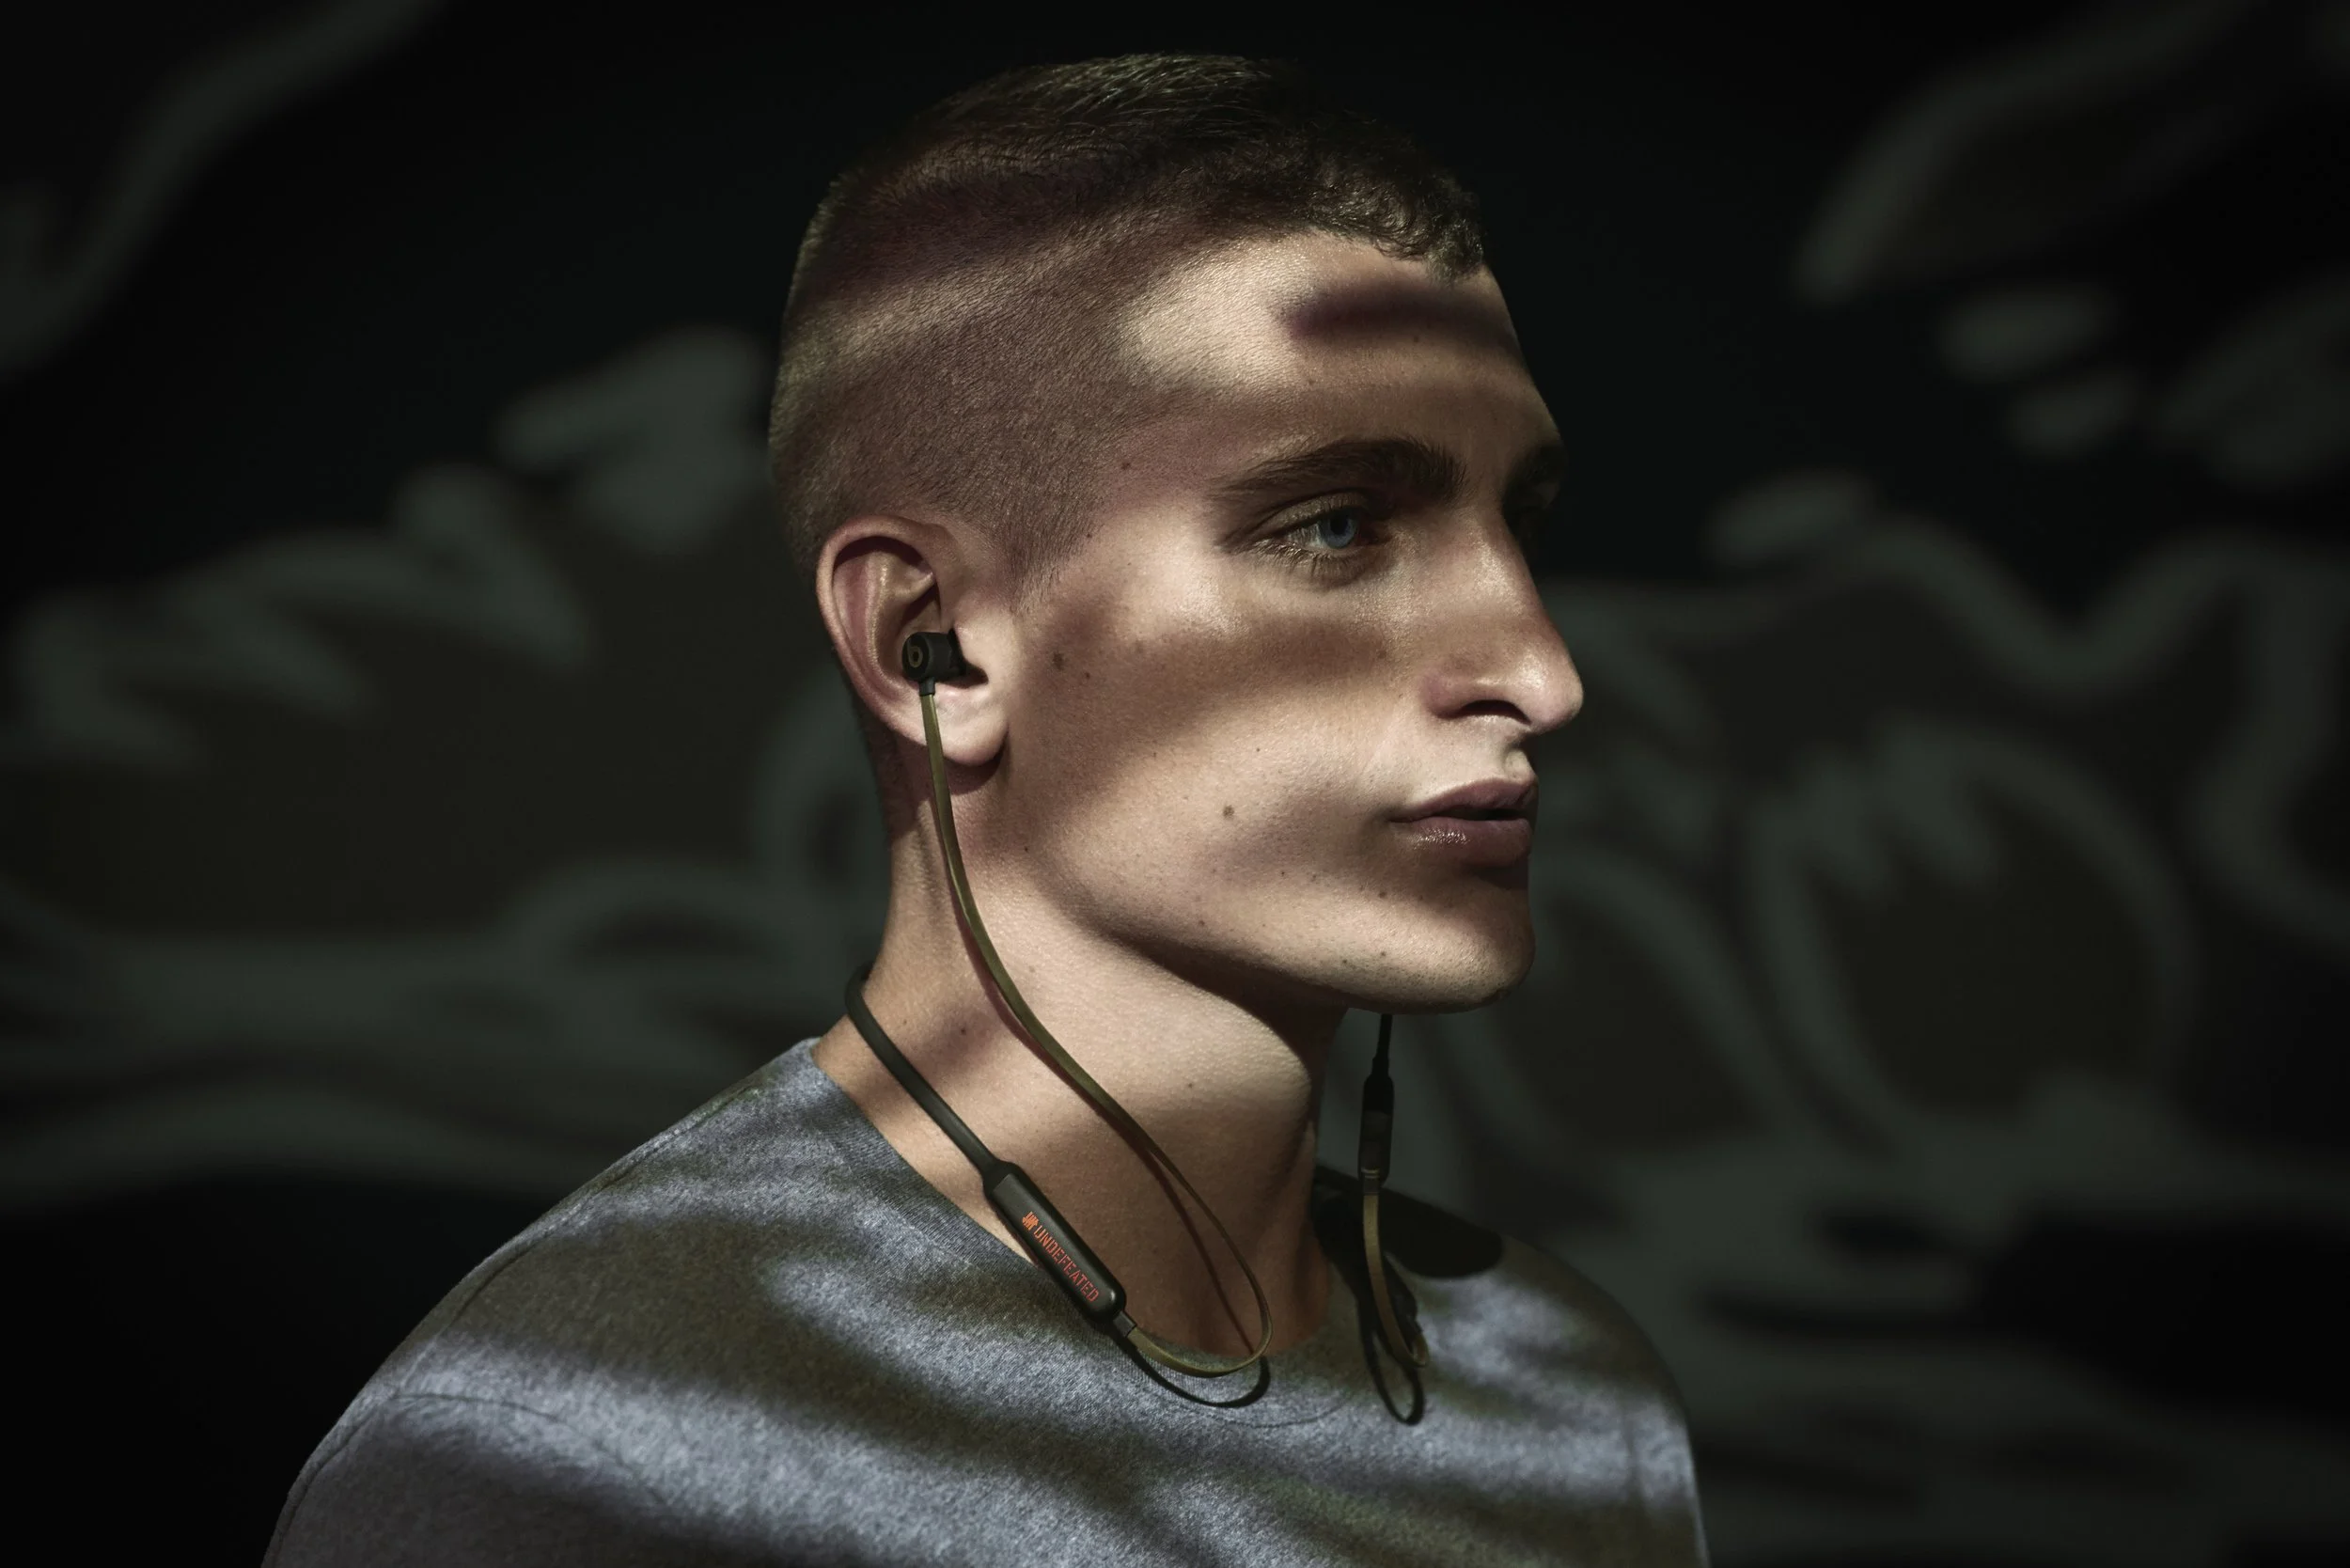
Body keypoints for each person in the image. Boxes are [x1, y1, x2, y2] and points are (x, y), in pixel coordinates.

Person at [267, 53, 1708, 1566]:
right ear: (932, 643)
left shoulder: (1572, 1400)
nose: (1542, 672)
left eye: (1517, 522)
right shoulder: (573, 1458)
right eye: (1337, 527)